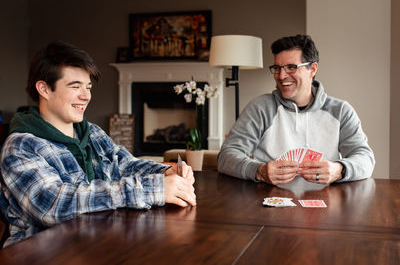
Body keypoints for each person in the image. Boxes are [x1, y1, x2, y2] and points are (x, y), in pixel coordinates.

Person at [0, 41, 196, 247]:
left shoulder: (91, 132)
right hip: (43, 254)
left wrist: (165, 172)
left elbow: (125, 165)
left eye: (88, 87)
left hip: (99, 243)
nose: (86, 96)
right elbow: (53, 206)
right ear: (44, 89)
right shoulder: (21, 146)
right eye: (75, 86)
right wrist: (152, 189)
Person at [218, 34, 375, 186]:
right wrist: (259, 171)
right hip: (268, 202)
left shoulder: (341, 111)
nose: (281, 76)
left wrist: (340, 169)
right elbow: (226, 156)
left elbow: (365, 159)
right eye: (277, 68)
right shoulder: (260, 108)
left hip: (327, 203)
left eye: (291, 67)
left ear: (312, 69)